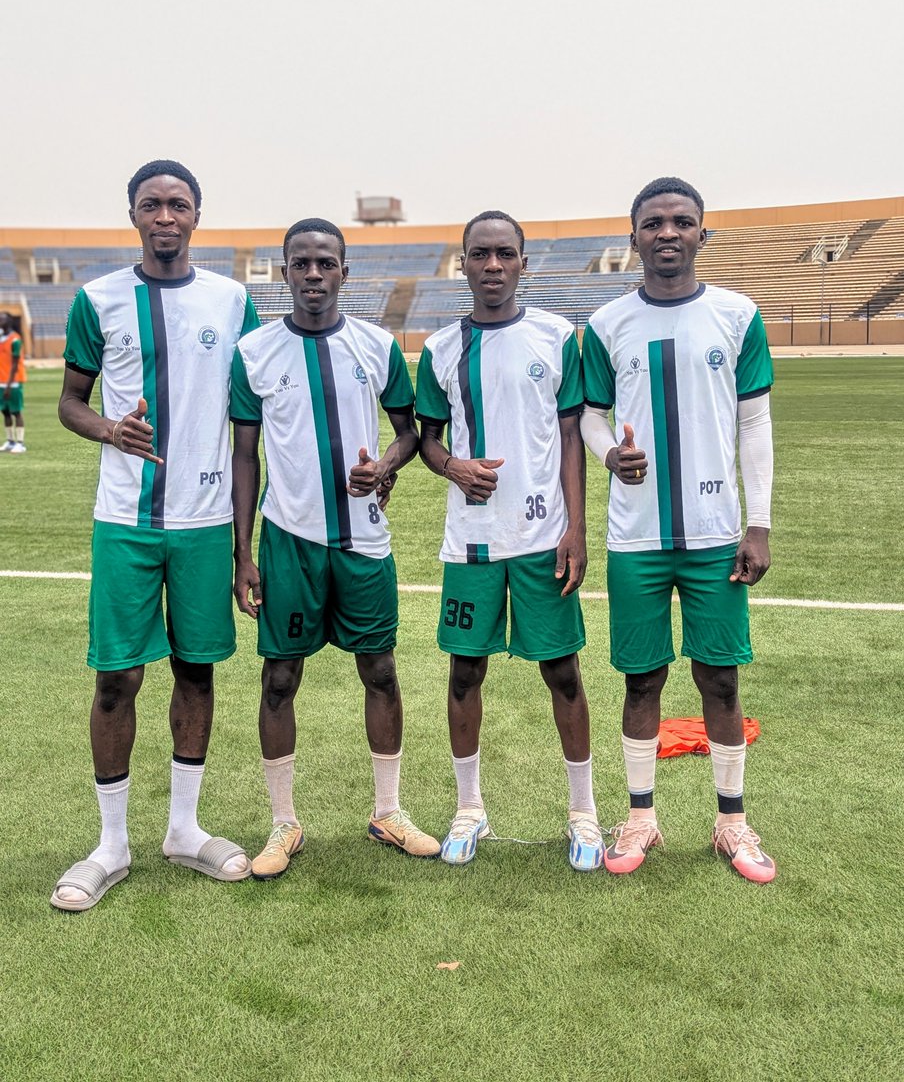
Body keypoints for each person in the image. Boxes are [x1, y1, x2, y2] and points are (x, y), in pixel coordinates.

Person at [51, 160, 260, 911]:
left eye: (178, 204)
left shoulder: (232, 300)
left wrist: (245, 548)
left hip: (204, 526)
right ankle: (111, 845)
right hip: (126, 524)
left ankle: (182, 828)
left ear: (197, 215)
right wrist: (111, 428)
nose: (165, 215)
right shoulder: (98, 299)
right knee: (117, 678)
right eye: (151, 204)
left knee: (196, 672)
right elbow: (71, 402)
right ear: (134, 215)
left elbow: (251, 425)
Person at [231, 218, 439, 879]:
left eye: (326, 263)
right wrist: (243, 554)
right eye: (302, 264)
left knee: (380, 671)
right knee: (279, 679)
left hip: (363, 542)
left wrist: (384, 465)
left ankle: (388, 811)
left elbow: (409, 433)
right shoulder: (255, 352)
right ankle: (283, 823)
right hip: (288, 543)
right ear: (284, 272)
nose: (314, 274)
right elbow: (243, 455)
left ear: (345, 273)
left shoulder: (377, 346)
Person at [581, 177, 776, 883]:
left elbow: (754, 423)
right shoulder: (605, 326)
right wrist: (609, 454)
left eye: (682, 222)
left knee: (719, 680)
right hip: (636, 537)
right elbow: (591, 416)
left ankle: (732, 824)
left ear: (702, 234)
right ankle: (640, 819)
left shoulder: (737, 313)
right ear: (633, 237)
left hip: (716, 534)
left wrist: (758, 525)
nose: (668, 232)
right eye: (654, 223)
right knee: (642, 680)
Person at [416, 211, 603, 870]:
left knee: (563, 672)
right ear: (462, 264)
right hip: (470, 543)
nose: (491, 265)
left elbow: (574, 438)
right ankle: (469, 811)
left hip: (542, 536)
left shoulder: (557, 338)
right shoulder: (440, 350)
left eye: (504, 254)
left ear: (524, 261)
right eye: (479, 254)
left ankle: (583, 814)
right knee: (465, 672)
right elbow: (429, 439)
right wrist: (452, 467)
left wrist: (577, 529)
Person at [0, 311, 27, 453]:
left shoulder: (15, 340)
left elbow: (15, 364)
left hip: (13, 383)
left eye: (2, 319)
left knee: (16, 412)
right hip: (1, 381)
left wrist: (9, 386)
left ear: (9, 322)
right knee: (5, 412)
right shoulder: (1, 338)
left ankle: (20, 443)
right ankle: (10, 441)